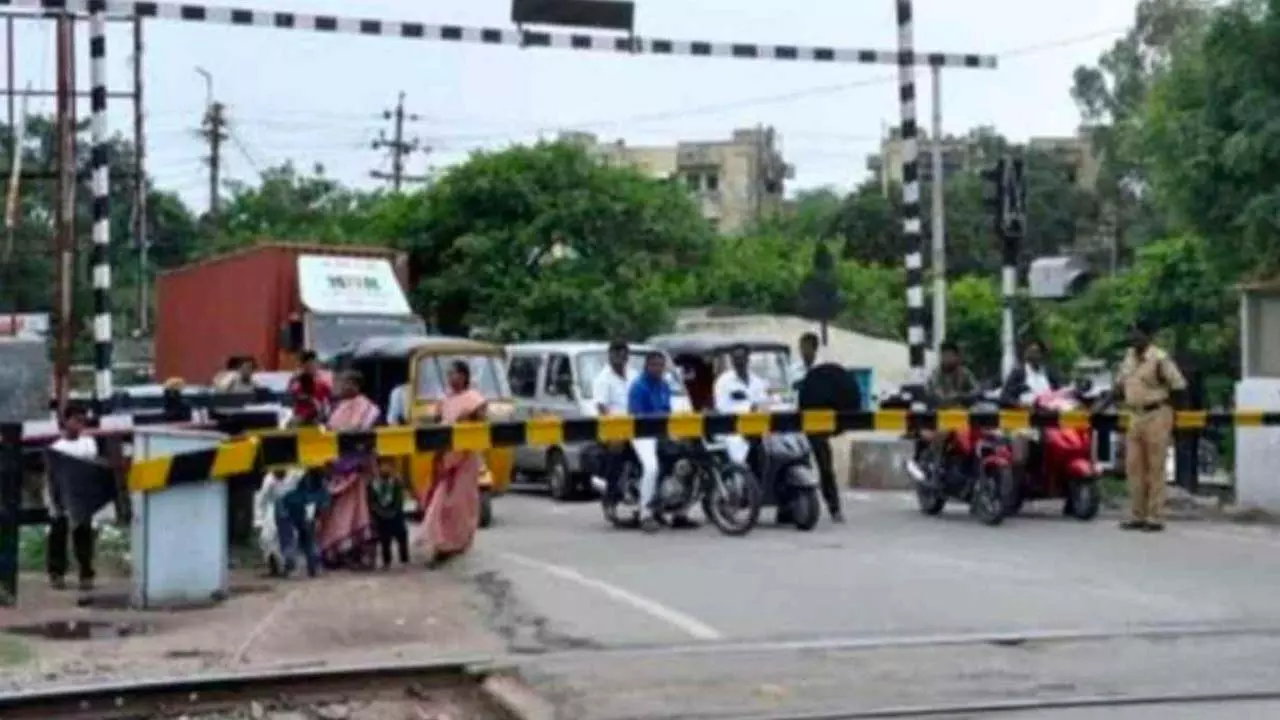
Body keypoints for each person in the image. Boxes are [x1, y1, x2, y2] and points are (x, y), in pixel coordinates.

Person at [1114, 319, 1187, 533]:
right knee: (1134, 467)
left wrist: (1175, 418)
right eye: (1131, 334)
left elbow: (1179, 387)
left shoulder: (1160, 359)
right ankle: (1136, 514)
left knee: (1155, 467)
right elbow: (1119, 386)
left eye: (1137, 334)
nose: (1133, 338)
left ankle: (1155, 516)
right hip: (1134, 415)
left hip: (1157, 413)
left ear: (1148, 337)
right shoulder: (1128, 358)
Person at [419, 360, 488, 567]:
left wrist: (467, 421)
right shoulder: (444, 401)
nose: (450, 378)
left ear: (464, 376)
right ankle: (441, 544)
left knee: (461, 503)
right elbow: (438, 425)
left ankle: (457, 542)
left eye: (454, 374)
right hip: (446, 456)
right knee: (441, 501)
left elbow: (483, 426)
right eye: (448, 374)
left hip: (466, 459)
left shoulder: (476, 400)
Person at [313, 370, 380, 567]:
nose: (340, 387)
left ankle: (353, 550)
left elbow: (364, 433)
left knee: (355, 509)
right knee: (333, 511)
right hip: (335, 468)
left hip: (356, 467)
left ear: (355, 386)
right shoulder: (336, 407)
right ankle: (334, 550)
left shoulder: (366, 407)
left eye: (344, 384)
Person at [628, 350, 689, 533]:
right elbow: (637, 416)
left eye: (661, 365)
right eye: (654, 365)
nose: (658, 368)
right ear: (646, 366)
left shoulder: (664, 386)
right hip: (642, 433)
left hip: (662, 431)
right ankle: (645, 513)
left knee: (684, 460)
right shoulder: (638, 386)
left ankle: (679, 511)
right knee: (651, 466)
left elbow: (668, 411)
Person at [790, 332, 843, 523]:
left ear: (814, 348)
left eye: (806, 348)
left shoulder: (824, 370)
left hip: (817, 423)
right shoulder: (793, 370)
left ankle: (834, 507)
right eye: (801, 348)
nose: (803, 352)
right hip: (796, 421)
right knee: (795, 463)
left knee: (825, 467)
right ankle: (794, 507)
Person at [45, 406, 99, 591]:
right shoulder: (56, 447)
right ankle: (56, 573)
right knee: (58, 534)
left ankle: (86, 573)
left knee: (83, 535)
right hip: (61, 494)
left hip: (81, 495)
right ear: (66, 421)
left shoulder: (88, 443)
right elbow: (52, 476)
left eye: (82, 421)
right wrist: (54, 500)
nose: (78, 425)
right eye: (75, 420)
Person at [592, 340, 636, 508]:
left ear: (627, 356)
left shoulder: (634, 375)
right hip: (614, 428)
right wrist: (614, 430)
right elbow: (602, 408)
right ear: (609, 356)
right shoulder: (603, 379)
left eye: (622, 354)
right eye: (615, 354)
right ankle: (611, 496)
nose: (619, 358)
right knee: (616, 451)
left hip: (635, 425)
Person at [713, 344, 770, 469]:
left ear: (747, 359)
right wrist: (748, 408)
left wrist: (758, 409)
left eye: (742, 358)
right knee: (741, 460)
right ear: (732, 361)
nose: (739, 361)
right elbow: (722, 408)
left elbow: (763, 404)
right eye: (735, 358)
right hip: (733, 427)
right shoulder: (723, 381)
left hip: (757, 428)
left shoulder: (757, 381)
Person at [368, 458, 409, 568]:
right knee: (384, 539)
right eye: (382, 465)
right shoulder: (373, 484)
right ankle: (387, 561)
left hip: (396, 515)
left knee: (402, 536)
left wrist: (394, 511)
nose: (385, 468)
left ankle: (404, 559)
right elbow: (371, 501)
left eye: (388, 465)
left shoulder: (396, 482)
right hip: (381, 516)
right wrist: (379, 512)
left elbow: (399, 499)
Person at [999, 339, 1063, 407]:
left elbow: (1059, 392)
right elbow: (1004, 397)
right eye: (1031, 351)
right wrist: (1019, 404)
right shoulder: (1018, 373)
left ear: (1042, 354)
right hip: (1026, 414)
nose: (1034, 355)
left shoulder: (1049, 373)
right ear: (1026, 353)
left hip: (1049, 414)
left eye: (1037, 352)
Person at [288, 351, 331, 427]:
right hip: (300, 416)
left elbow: (329, 398)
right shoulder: (296, 380)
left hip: (319, 416)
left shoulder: (323, 380)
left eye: (314, 364)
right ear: (303, 365)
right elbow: (294, 394)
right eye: (309, 364)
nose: (312, 367)